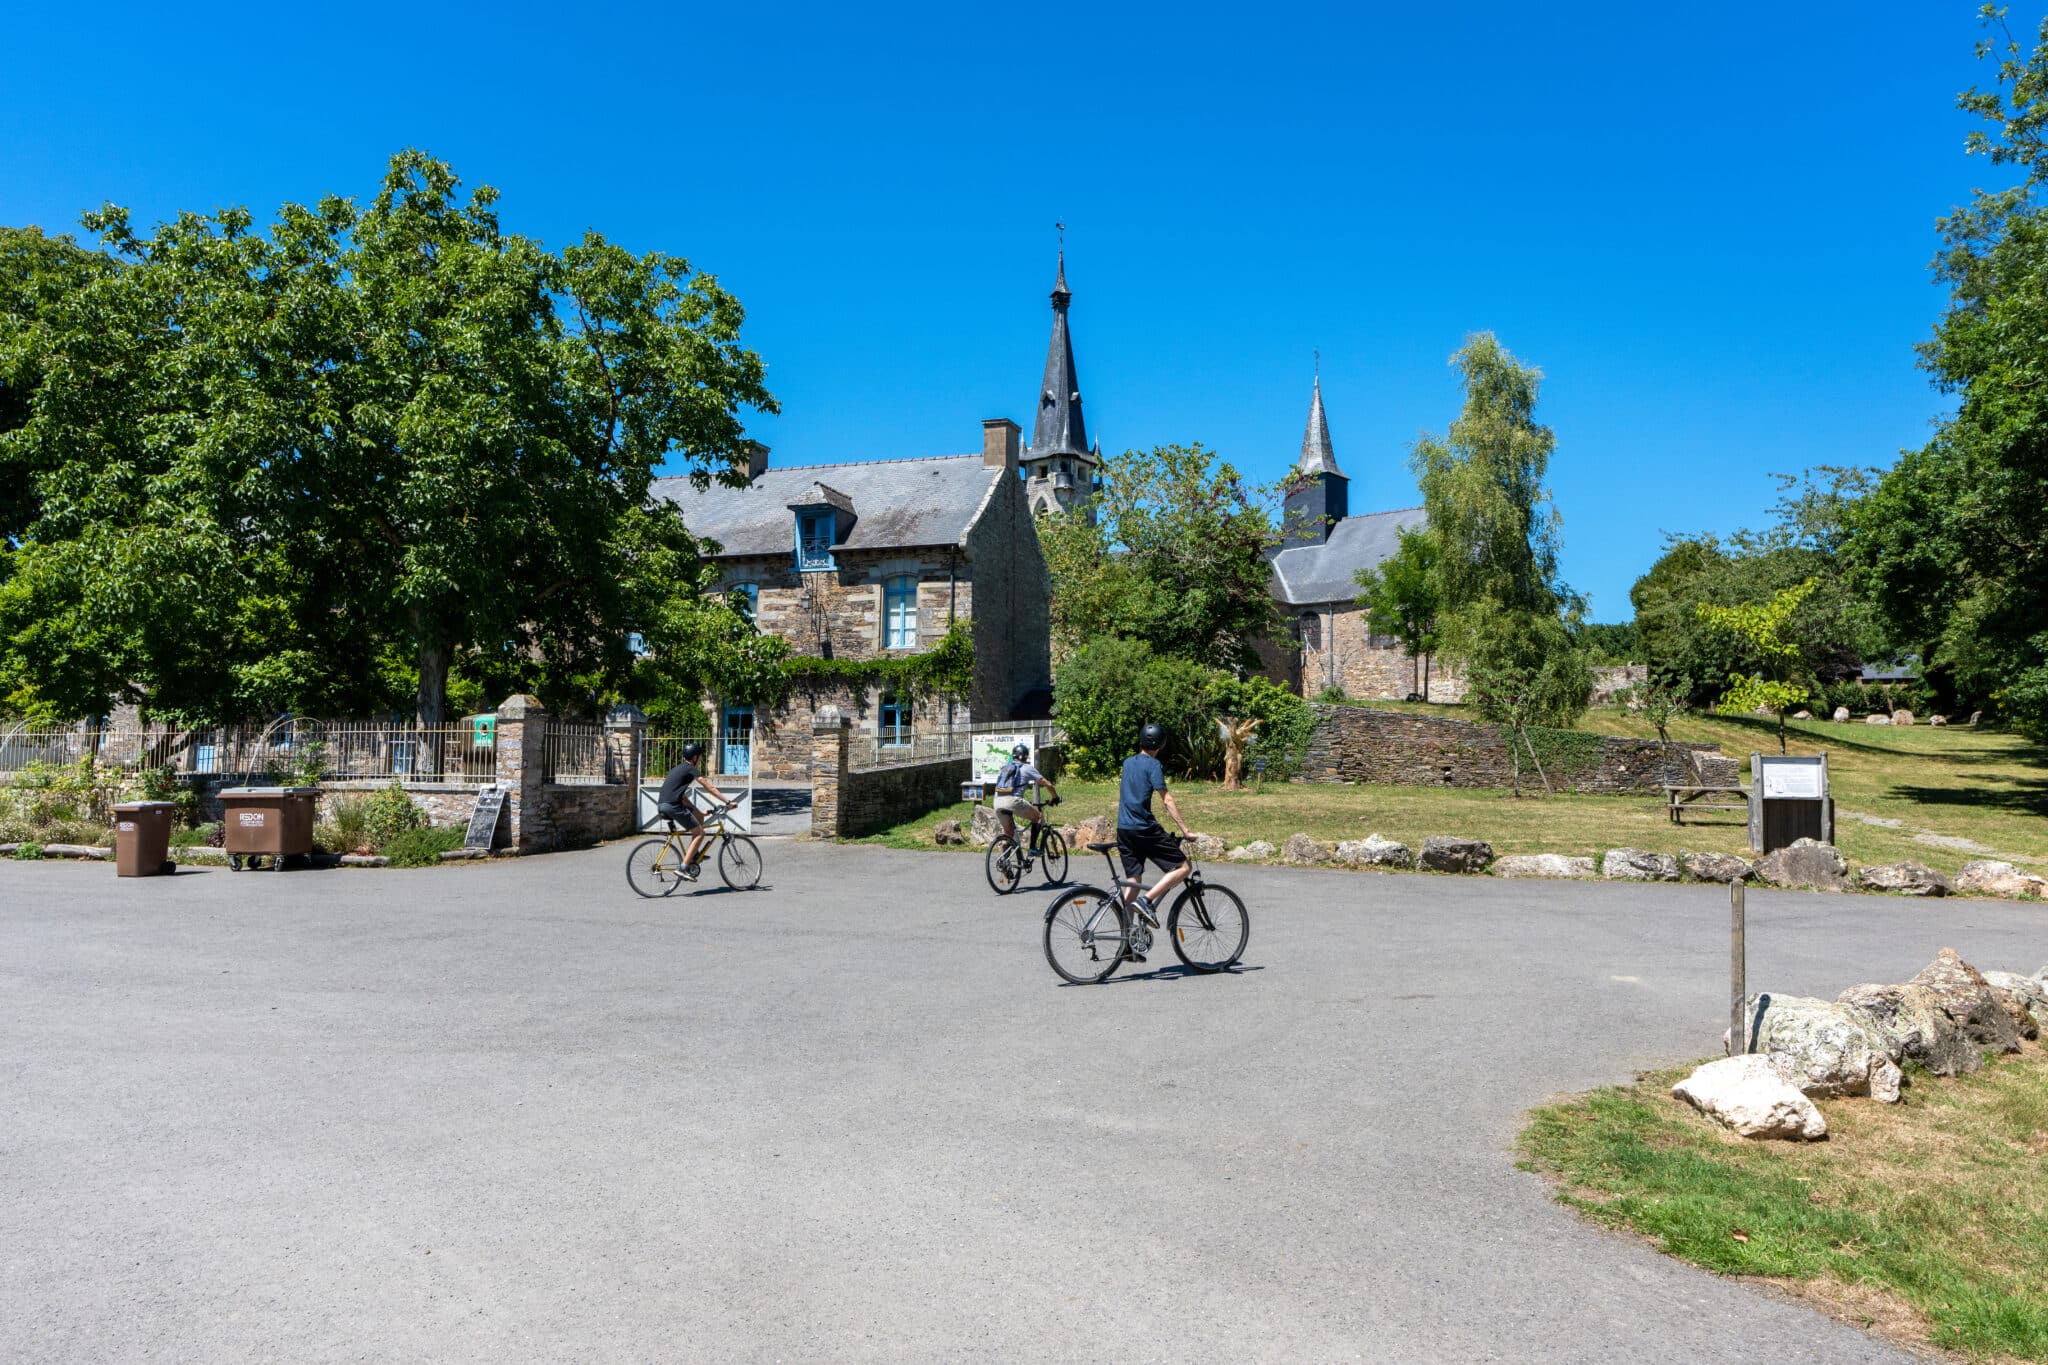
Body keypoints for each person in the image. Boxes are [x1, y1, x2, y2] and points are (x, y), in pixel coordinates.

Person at [1115, 722, 1192, 960]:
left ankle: (1127, 943)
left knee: (1133, 881)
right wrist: (1185, 830)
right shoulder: (1154, 765)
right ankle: (1147, 901)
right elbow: (1166, 799)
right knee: (1183, 867)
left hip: (1123, 829)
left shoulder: (1128, 762)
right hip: (1143, 828)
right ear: (1160, 744)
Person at [655, 741, 734, 880]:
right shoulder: (690, 769)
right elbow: (709, 787)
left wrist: (697, 811)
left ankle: (694, 855)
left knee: (699, 817)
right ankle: (683, 868)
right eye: (700, 757)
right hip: (673, 806)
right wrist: (728, 802)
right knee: (700, 833)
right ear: (695, 757)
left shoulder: (678, 768)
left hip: (663, 805)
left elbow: (682, 797)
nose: (701, 759)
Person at [992, 743, 1059, 860]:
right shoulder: (1027, 768)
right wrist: (1055, 797)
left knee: (1009, 833)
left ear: (1013, 756)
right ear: (1025, 757)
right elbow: (1047, 784)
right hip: (1013, 801)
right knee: (1037, 817)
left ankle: (1004, 862)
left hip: (997, 802)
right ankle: (1032, 849)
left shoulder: (1005, 768)